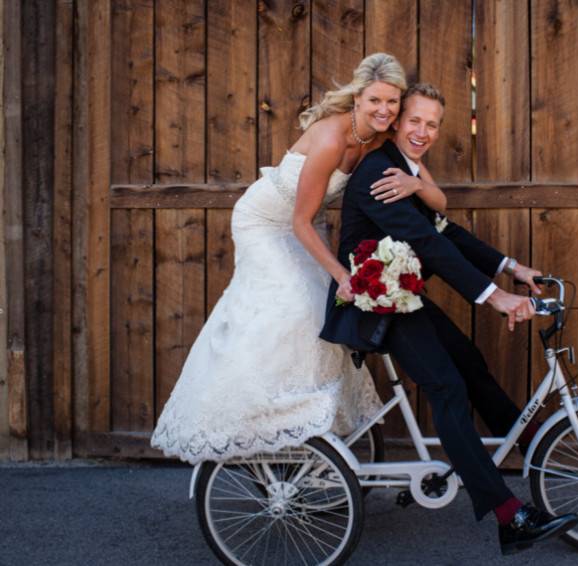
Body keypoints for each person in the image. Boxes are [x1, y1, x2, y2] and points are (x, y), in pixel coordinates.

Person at [320, 83, 578, 555]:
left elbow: (447, 230)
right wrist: (495, 297)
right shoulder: (380, 174)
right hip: (373, 306)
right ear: (398, 123)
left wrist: (511, 268)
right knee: (448, 388)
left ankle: (536, 451)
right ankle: (509, 516)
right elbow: (430, 245)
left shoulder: (407, 169)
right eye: (415, 121)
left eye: (432, 125)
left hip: (402, 297)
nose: (423, 131)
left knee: (469, 361)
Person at [151, 53, 444, 464]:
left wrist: (415, 184)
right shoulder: (329, 139)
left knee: (321, 317)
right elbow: (299, 221)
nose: (384, 110)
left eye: (392, 102)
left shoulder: (381, 139)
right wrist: (342, 274)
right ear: (357, 98)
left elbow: (439, 198)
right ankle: (256, 418)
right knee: (294, 308)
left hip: (305, 225)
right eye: (375, 100)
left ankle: (308, 436)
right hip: (266, 223)